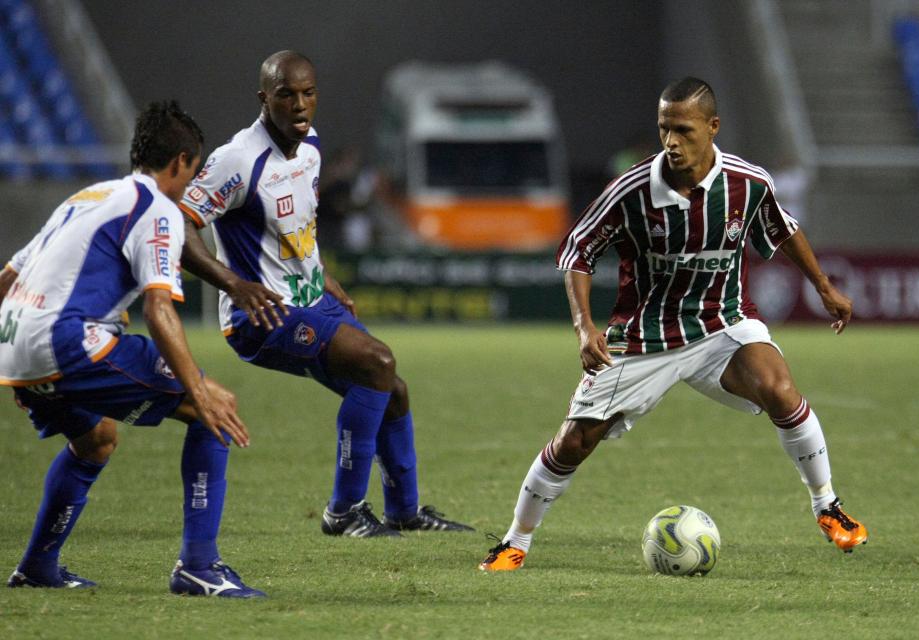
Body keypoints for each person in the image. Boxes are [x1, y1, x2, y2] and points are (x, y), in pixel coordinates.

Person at [479, 77, 868, 571]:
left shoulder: (748, 185)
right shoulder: (632, 191)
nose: (671, 142)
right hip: (645, 336)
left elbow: (784, 229)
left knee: (780, 389)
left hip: (720, 324)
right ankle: (516, 541)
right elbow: (577, 250)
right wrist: (584, 327)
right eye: (665, 129)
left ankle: (827, 506)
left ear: (712, 127)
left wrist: (824, 287)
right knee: (575, 441)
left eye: (683, 130)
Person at [177, 50, 472, 537]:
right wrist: (233, 283)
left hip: (313, 298)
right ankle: (344, 512)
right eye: (285, 95)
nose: (299, 105)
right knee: (377, 363)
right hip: (264, 316)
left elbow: (301, 228)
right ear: (263, 99)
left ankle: (404, 511)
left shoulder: (310, 147)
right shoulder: (237, 160)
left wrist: (324, 273)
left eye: (308, 93)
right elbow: (180, 224)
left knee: (392, 390)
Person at [1, 101, 264, 597]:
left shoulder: (89, 195)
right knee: (216, 408)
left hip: (13, 342)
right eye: (193, 169)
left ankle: (38, 567)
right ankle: (199, 567)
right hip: (63, 342)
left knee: (96, 439)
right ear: (181, 162)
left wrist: (18, 356)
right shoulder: (158, 209)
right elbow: (159, 309)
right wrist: (197, 389)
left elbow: (10, 275)